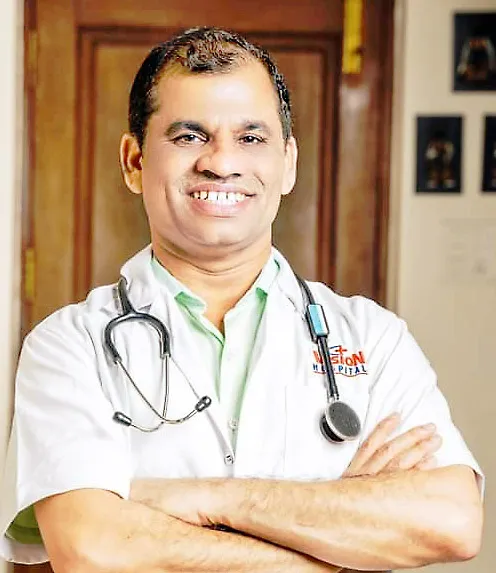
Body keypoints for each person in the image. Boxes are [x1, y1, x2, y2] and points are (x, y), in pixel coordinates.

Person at [0, 27, 483, 573]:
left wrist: (205, 498)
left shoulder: (373, 338)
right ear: (134, 161)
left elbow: (452, 520)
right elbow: (94, 550)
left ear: (288, 163)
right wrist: (339, 537)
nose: (221, 162)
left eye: (251, 138)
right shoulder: (68, 346)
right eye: (189, 136)